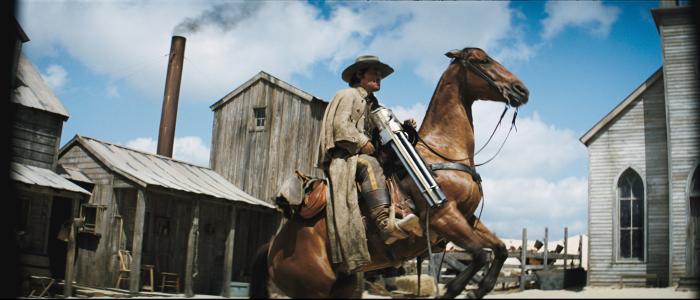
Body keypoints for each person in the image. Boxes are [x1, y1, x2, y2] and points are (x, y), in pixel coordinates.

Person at [317, 55, 421, 252]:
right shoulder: (348, 95)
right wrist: (362, 141)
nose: (379, 77)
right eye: (374, 72)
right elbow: (340, 126)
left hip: (365, 156)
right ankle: (384, 224)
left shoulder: (374, 105)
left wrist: (404, 128)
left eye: (380, 74)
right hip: (345, 158)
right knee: (370, 164)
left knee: (401, 165)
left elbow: (384, 134)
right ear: (360, 74)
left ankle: (411, 212)